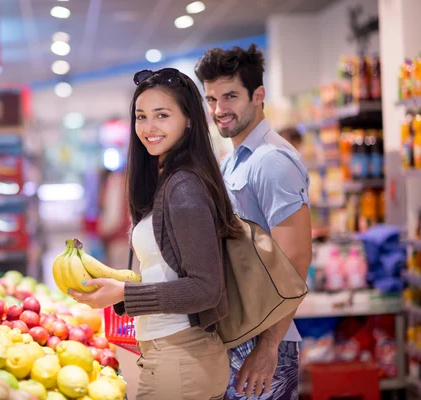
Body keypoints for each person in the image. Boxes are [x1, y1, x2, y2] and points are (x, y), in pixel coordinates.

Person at [69, 68, 242, 400]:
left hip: (180, 360)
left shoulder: (184, 188)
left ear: (189, 119)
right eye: (141, 116)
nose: (148, 127)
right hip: (172, 356)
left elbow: (206, 288)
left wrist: (125, 294)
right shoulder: (168, 179)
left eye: (162, 115)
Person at [195, 44, 312, 400]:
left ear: (258, 95)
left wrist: (268, 347)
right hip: (241, 333)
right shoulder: (234, 160)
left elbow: (296, 261)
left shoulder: (271, 162)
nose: (219, 109)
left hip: (265, 339)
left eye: (230, 96)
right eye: (211, 99)